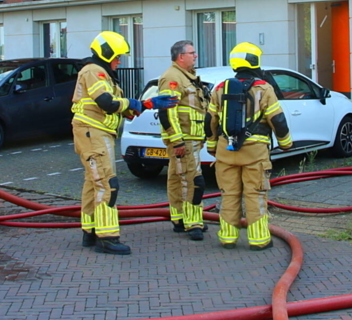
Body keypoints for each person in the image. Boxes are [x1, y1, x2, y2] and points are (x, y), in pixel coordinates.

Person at [72, 31, 177, 255]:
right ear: (106, 53)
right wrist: (134, 103)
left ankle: (90, 232)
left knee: (94, 184)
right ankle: (107, 238)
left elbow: (120, 109)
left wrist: (147, 104)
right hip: (93, 133)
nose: (119, 62)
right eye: (117, 57)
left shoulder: (102, 73)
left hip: (98, 133)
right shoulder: (94, 71)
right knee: (108, 184)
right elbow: (107, 103)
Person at [205, 42, 292, 250]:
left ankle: (227, 237)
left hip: (226, 152)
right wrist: (285, 143)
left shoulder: (219, 88)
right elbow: (277, 119)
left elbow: (210, 121)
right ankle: (259, 240)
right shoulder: (264, 88)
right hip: (255, 152)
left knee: (229, 194)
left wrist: (211, 146)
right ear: (254, 62)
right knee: (255, 195)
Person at [157, 40, 209, 241]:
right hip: (184, 140)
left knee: (178, 179)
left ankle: (179, 219)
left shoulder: (186, 76)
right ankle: (193, 223)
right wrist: (177, 141)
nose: (195, 56)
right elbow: (167, 111)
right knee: (193, 181)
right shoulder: (172, 77)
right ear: (181, 57)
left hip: (191, 139)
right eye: (192, 53)